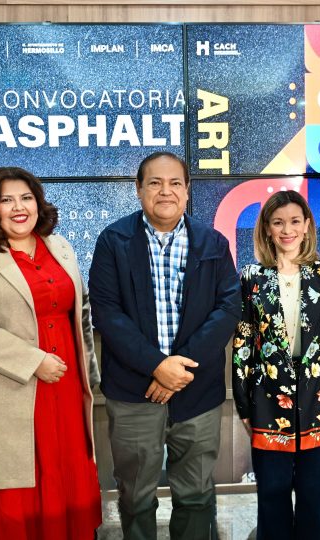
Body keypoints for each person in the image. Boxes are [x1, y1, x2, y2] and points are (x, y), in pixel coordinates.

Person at [89, 151, 241, 540]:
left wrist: (179, 368)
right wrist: (157, 366)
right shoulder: (114, 241)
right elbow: (107, 313)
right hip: (134, 391)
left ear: (187, 190)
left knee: (195, 493)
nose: (165, 191)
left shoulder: (212, 242)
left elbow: (228, 308)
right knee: (135, 494)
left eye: (175, 183)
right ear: (138, 189)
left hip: (197, 390)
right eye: (155, 183)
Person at [0, 167, 102, 539]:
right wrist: (33, 362)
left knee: (64, 473)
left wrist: (89, 373)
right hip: (9, 390)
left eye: (27, 198)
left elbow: (80, 312)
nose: (19, 207)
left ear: (38, 204)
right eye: (7, 200)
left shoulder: (59, 246)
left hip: (64, 388)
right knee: (15, 482)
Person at [232, 190, 320, 540]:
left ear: (307, 225)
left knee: (318, 504)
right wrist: (244, 405)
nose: (287, 230)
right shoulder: (252, 277)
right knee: (272, 502)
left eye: (295, 221)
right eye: (278, 222)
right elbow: (243, 344)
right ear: (267, 229)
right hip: (268, 403)